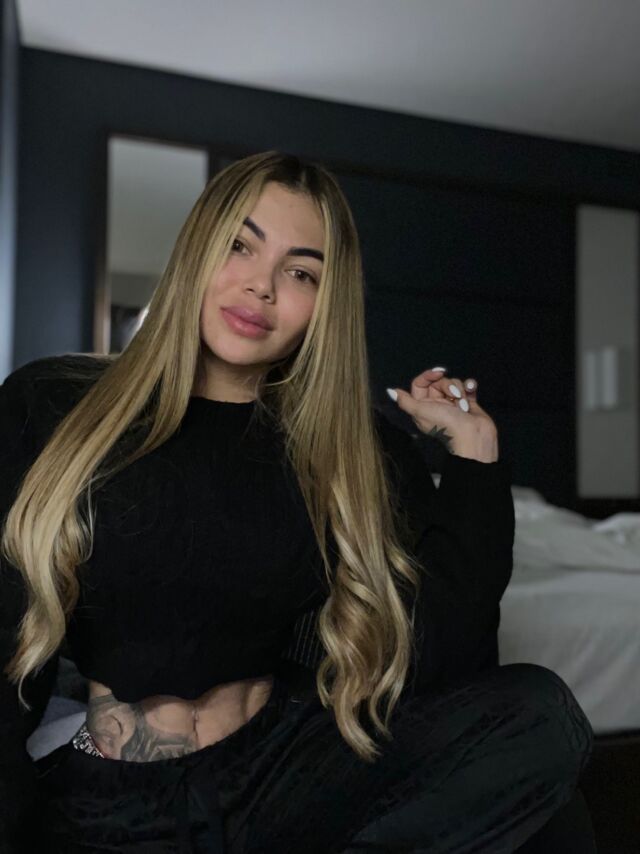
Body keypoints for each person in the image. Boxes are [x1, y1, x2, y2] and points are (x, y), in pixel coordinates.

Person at [0, 151, 593, 853]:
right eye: (239, 246)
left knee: (542, 717)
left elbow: (446, 656)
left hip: (280, 776)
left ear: (324, 303)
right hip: (114, 798)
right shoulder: (59, 402)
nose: (262, 286)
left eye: (301, 272)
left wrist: (475, 456)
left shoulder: (353, 446)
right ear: (196, 250)